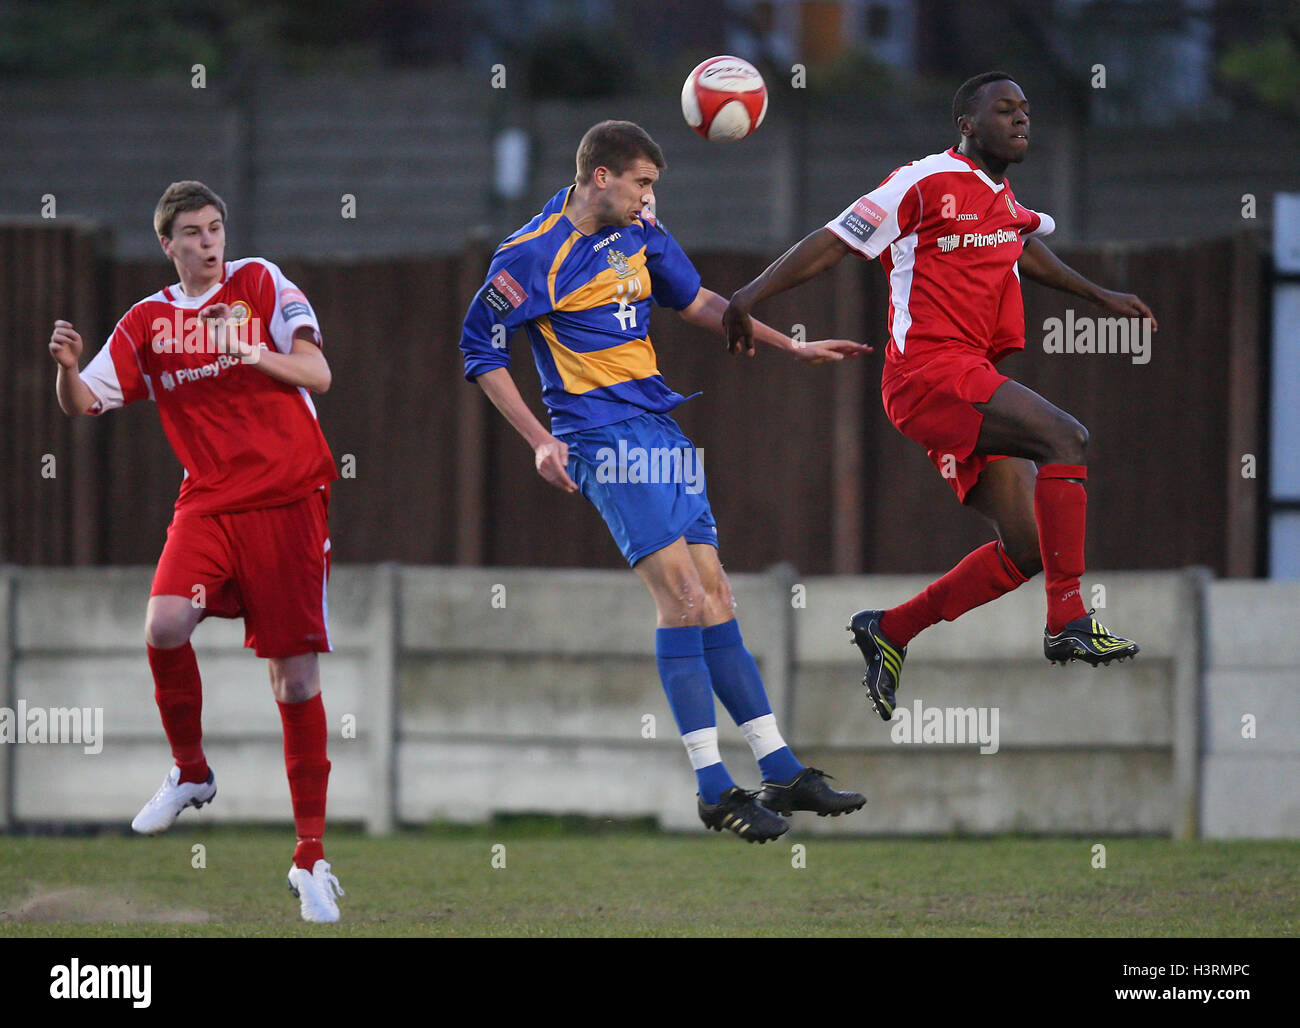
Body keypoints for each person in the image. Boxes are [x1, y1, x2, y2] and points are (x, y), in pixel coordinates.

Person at [459, 120, 871, 842]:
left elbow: (698, 302)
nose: (651, 199)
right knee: (680, 599)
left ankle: (779, 767)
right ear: (601, 178)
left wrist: (788, 346)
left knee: (714, 594)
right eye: (643, 184)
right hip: (598, 436)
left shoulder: (641, 233)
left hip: (659, 427)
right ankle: (714, 785)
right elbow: (478, 350)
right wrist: (538, 440)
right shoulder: (528, 256)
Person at [723, 72, 1157, 722]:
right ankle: (1068, 618)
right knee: (1065, 438)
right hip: (929, 375)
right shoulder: (922, 182)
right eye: (1004, 109)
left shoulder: (1002, 200)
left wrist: (1100, 297)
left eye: (1026, 109)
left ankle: (891, 630)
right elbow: (835, 240)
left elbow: (1023, 246)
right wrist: (748, 296)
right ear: (967, 124)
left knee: (1029, 549)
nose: (1021, 119)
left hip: (959, 382)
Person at [48, 181, 344, 922]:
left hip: (288, 497)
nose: (209, 242)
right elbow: (85, 402)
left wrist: (244, 345)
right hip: (209, 503)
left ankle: (310, 859)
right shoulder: (147, 322)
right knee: (164, 625)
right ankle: (191, 773)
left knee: (296, 682)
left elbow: (318, 375)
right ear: (167, 244)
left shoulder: (261, 283)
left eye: (216, 228)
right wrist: (65, 368)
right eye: (193, 232)